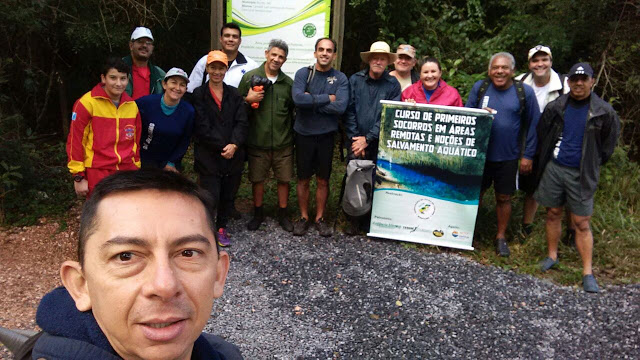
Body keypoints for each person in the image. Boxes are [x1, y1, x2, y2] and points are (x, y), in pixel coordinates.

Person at [31, 169, 242, 359]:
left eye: (188, 253)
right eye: (126, 256)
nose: (165, 286)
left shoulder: (226, 353)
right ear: (80, 285)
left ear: (218, 274)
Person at [534, 63, 620, 293]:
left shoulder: (604, 111)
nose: (579, 83)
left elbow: (607, 147)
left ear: (592, 81)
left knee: (582, 222)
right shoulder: (556, 107)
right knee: (552, 213)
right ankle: (552, 256)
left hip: (582, 173)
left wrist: (591, 163)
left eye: (584, 79)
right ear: (568, 82)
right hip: (555, 168)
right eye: (574, 79)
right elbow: (543, 133)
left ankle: (587, 272)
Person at [465, 52, 540, 257]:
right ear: (489, 70)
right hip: (479, 154)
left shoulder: (524, 92)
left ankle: (500, 236)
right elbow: (465, 115)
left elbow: (534, 125)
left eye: (504, 67)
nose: (499, 71)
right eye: (495, 67)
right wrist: (480, 115)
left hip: (508, 156)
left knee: (504, 197)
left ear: (513, 71)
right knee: (474, 194)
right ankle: (466, 232)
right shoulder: (480, 88)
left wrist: (528, 155)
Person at [291, 38, 349, 237]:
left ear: (334, 55)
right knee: (303, 178)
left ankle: (320, 218)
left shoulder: (340, 78)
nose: (325, 53)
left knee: (323, 180)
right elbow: (298, 99)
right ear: (315, 52)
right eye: (321, 50)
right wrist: (327, 98)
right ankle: (304, 216)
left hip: (326, 136)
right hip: (304, 134)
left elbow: (340, 106)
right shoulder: (303, 73)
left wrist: (311, 102)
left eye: (329, 50)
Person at [343, 41, 402, 235]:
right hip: (355, 142)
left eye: (382, 58)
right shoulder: (355, 80)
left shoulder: (393, 85)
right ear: (369, 59)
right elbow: (348, 109)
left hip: (379, 142)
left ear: (387, 62)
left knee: (377, 180)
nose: (378, 61)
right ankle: (353, 218)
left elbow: (389, 115)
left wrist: (368, 139)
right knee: (354, 178)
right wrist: (355, 139)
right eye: (375, 57)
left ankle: (371, 221)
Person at [515, 45, 571, 241]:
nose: (540, 64)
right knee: (531, 185)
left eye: (544, 60)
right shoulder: (520, 82)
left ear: (551, 61)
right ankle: (527, 227)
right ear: (529, 64)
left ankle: (568, 231)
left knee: (560, 185)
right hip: (529, 139)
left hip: (556, 141)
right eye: (535, 60)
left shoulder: (564, 85)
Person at [238, 39, 295, 232]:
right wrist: (247, 99)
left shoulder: (288, 83)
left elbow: (293, 111)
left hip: (283, 142)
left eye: (281, 57)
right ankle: (258, 213)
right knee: (257, 179)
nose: (276, 59)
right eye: (274, 54)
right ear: (266, 54)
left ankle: (283, 213)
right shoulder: (250, 78)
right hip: (257, 141)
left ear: (285, 60)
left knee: (284, 180)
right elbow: (238, 106)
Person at [192, 51, 248, 247]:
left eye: (221, 67)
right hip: (209, 154)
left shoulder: (234, 93)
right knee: (211, 195)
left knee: (228, 194)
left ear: (226, 69)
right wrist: (223, 145)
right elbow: (202, 125)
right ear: (207, 69)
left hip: (233, 154)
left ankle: (221, 227)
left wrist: (234, 144)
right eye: (213, 67)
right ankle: (206, 230)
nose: (217, 71)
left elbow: (242, 122)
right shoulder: (199, 94)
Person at [66, 57, 141, 198]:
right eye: (113, 78)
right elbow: (75, 141)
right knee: (100, 216)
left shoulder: (132, 105)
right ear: (103, 78)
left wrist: (136, 166)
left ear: (128, 79)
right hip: (98, 170)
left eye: (123, 78)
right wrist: (78, 176)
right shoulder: (86, 103)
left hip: (127, 170)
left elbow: (136, 141)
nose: (118, 83)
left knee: (127, 214)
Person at [136, 67, 194, 172]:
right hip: (144, 159)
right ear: (164, 84)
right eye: (174, 83)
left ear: (185, 89)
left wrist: (171, 162)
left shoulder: (188, 111)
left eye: (182, 85)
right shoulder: (146, 103)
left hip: (169, 163)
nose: (177, 87)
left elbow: (185, 141)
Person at [188, 23, 259, 91]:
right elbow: (191, 90)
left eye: (235, 36)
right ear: (221, 39)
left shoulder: (251, 66)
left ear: (240, 41)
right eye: (227, 36)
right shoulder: (205, 60)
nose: (230, 39)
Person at [123, 26, 165, 100]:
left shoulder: (159, 74)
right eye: (140, 42)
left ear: (152, 48)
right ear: (131, 45)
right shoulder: (118, 68)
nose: (144, 45)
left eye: (148, 43)